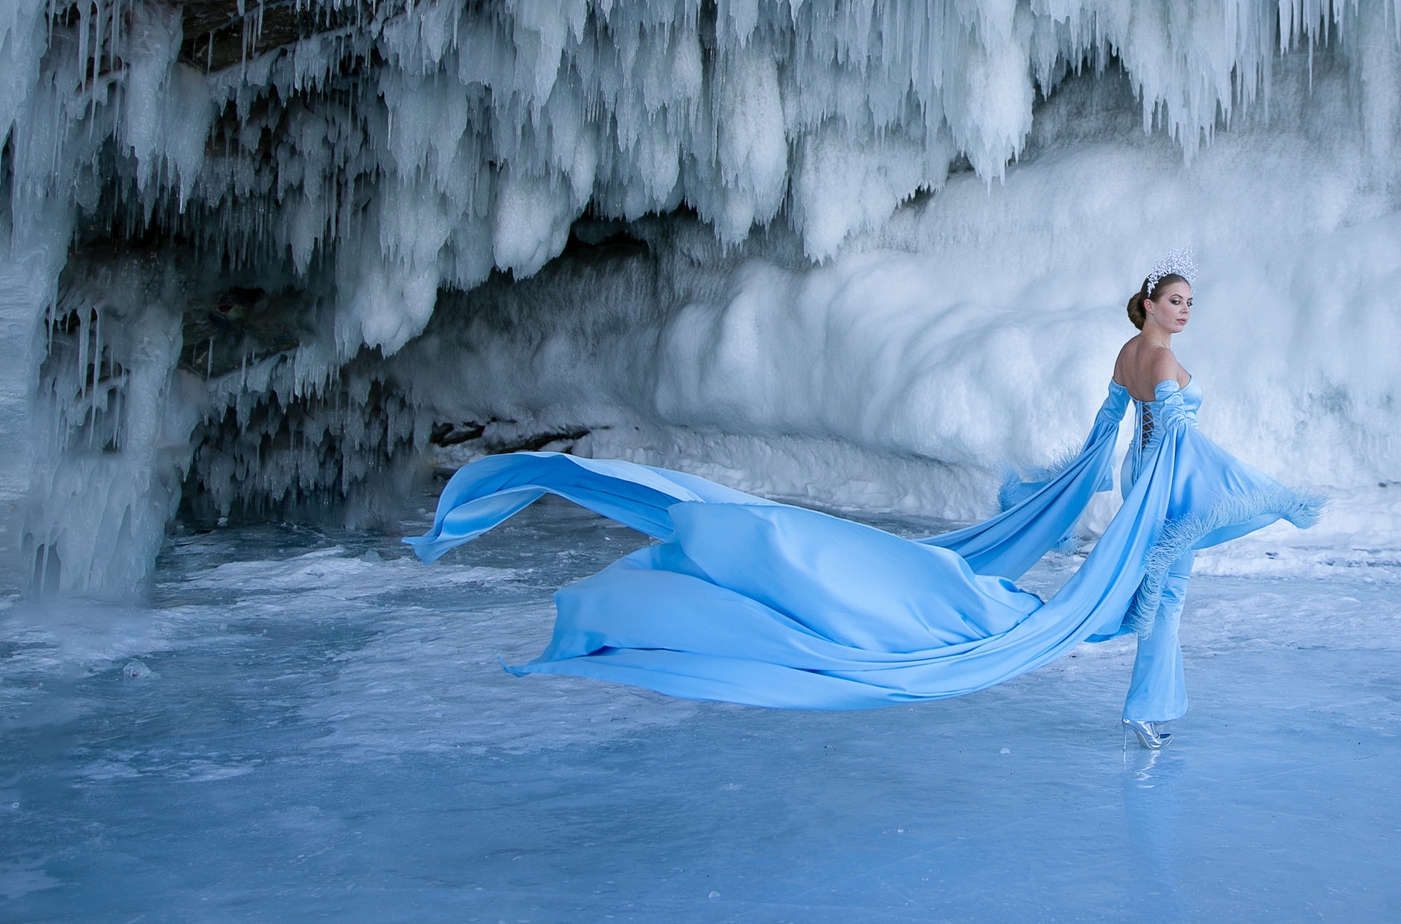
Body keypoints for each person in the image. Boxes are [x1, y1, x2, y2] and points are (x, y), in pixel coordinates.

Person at [403, 253, 1322, 741]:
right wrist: (1266, 490)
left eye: (1190, 303)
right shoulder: (1155, 358)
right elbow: (1177, 440)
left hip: (1147, 484)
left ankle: (1146, 706)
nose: (1183, 312)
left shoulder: (1126, 355)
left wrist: (1068, 485)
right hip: (1166, 490)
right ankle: (1149, 714)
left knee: (1154, 596)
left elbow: (1104, 437)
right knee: (1159, 594)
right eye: (1175, 300)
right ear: (1150, 305)